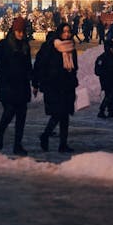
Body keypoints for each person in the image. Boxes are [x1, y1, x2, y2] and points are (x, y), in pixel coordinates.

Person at [0, 15, 33, 155]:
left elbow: (28, 66)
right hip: (7, 86)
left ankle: (17, 145)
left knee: (21, 117)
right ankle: (0, 132)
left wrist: (32, 78)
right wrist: (5, 73)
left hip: (22, 86)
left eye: (23, 31)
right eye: (18, 31)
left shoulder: (26, 46)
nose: (21, 34)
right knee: (9, 112)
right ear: (14, 31)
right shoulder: (4, 44)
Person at [37, 21, 78, 154]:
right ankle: (45, 135)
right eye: (64, 32)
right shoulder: (52, 47)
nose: (66, 34)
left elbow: (74, 67)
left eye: (68, 32)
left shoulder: (72, 47)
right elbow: (42, 65)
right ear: (59, 33)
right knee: (57, 114)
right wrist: (41, 82)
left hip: (67, 86)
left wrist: (73, 79)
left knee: (65, 116)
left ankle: (63, 144)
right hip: (54, 86)